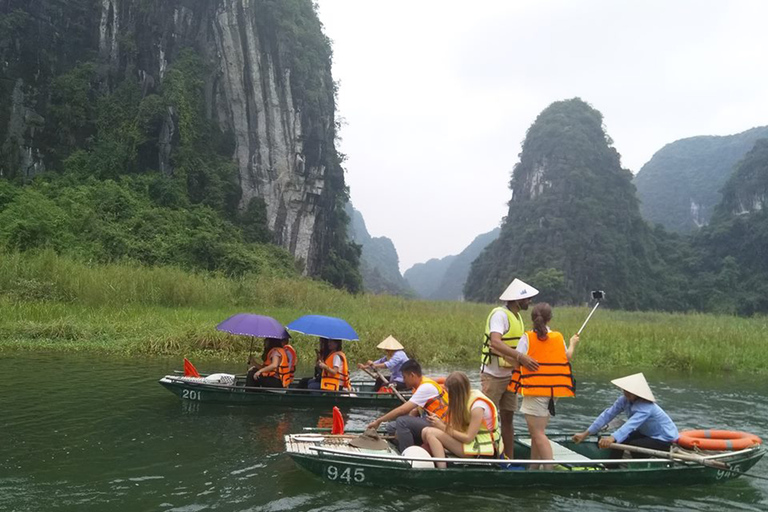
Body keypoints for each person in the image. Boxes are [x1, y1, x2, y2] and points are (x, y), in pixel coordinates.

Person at [508, 303, 579, 469]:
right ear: (550, 319)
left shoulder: (527, 337)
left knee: (538, 433)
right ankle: (534, 467)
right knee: (537, 433)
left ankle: (549, 468)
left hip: (536, 391)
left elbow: (517, 361)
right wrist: (573, 343)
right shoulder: (557, 337)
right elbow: (566, 356)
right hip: (553, 391)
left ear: (533, 319)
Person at [479, 278, 540, 459]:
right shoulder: (500, 314)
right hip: (493, 375)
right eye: (526, 298)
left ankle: (509, 458)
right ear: (516, 299)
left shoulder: (518, 317)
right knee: (486, 417)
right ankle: (484, 455)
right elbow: (495, 342)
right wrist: (521, 357)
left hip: (511, 375)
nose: (529, 301)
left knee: (508, 418)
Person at [571, 373, 679, 465]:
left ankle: (642, 466)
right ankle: (610, 467)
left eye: (630, 391)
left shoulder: (646, 407)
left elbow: (630, 425)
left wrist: (612, 438)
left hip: (663, 438)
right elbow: (607, 415)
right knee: (620, 441)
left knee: (634, 444)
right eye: (625, 390)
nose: (626, 393)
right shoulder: (624, 400)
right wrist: (585, 434)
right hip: (647, 433)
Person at [421, 372, 501, 469]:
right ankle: (439, 460)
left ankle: (442, 470)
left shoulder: (478, 407)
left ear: (456, 393)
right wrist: (441, 422)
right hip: (470, 444)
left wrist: (442, 427)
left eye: (448, 392)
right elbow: (458, 427)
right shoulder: (466, 398)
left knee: (431, 433)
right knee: (425, 431)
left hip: (481, 449)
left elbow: (468, 438)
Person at [366, 360, 449, 451]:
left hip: (440, 424)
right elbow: (414, 411)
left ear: (412, 375)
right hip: (428, 420)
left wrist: (379, 421)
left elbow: (402, 410)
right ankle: (414, 445)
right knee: (391, 427)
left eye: (404, 377)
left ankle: (408, 453)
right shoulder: (419, 385)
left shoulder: (426, 387)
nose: (403, 381)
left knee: (402, 421)